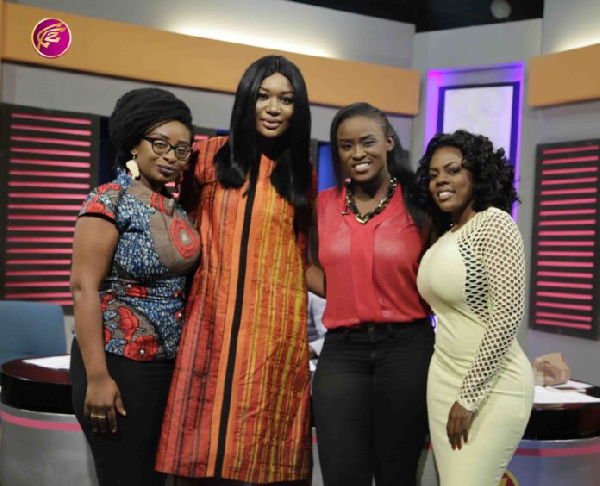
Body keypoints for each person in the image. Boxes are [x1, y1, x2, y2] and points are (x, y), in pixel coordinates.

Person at [157, 55, 315, 485]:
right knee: (195, 458)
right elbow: (167, 216)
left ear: (298, 109)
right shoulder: (207, 156)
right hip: (206, 325)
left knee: (260, 459)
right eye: (263, 96)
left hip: (272, 338)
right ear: (246, 99)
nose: (273, 108)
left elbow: (306, 260)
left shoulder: (302, 176)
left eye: (286, 99)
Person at [69, 87, 201, 486]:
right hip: (117, 362)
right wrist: (97, 378)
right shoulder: (109, 199)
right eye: (160, 144)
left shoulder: (178, 208)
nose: (171, 157)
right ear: (133, 143)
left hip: (169, 365)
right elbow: (83, 288)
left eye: (182, 150)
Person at [310, 102, 434, 486]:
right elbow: (307, 265)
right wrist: (347, 292)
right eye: (346, 145)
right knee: (342, 472)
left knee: (397, 473)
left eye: (367, 142)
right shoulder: (324, 204)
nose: (357, 153)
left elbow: (441, 269)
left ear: (389, 142)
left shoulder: (420, 202)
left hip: (407, 348)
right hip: (342, 352)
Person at [415, 130, 534, 486]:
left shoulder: (495, 224)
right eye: (434, 174)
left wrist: (467, 398)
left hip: (491, 388)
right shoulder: (445, 235)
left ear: (477, 174)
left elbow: (508, 315)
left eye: (452, 170)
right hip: (442, 381)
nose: (441, 181)